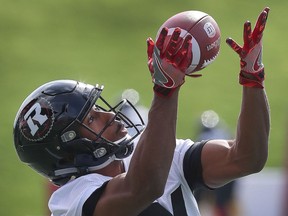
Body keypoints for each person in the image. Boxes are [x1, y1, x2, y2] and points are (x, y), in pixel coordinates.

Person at [13, 7, 270, 216]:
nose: (109, 115)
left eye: (98, 108)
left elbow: (247, 158)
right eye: (91, 118)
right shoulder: (71, 203)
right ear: (70, 150)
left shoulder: (151, 155)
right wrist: (165, 91)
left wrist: (252, 79)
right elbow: (144, 187)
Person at [195, 110, 238, 216]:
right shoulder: (223, 132)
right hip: (229, 170)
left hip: (207, 168)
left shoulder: (201, 137)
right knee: (224, 202)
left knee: (197, 200)